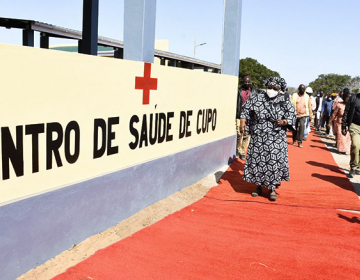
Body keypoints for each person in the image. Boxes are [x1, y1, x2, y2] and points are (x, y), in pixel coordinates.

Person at [240, 76, 296, 201]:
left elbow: (293, 116)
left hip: (276, 137)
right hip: (259, 135)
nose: (271, 90)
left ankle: (272, 188)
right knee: (259, 161)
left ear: (280, 89)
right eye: (269, 87)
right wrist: (243, 121)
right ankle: (258, 186)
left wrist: (284, 121)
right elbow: (246, 109)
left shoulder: (284, 100)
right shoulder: (258, 97)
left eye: (274, 88)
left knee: (273, 162)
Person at [236, 76, 259, 160]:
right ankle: (237, 148)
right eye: (245, 82)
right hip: (239, 114)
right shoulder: (238, 91)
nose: (247, 84)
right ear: (243, 82)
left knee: (246, 135)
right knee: (239, 133)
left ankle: (242, 151)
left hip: (249, 115)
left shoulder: (254, 91)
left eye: (249, 83)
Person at [342, 89, 360, 178]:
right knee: (356, 145)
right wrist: (343, 125)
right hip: (354, 125)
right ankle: (353, 166)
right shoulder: (354, 98)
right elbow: (346, 112)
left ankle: (358, 167)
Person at [328, 89, 351, 154]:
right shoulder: (339, 105)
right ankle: (340, 149)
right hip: (339, 123)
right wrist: (329, 122)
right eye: (346, 98)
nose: (347, 100)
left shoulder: (351, 106)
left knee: (346, 137)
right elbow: (334, 114)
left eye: (349, 99)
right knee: (341, 137)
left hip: (347, 123)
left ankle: (346, 149)